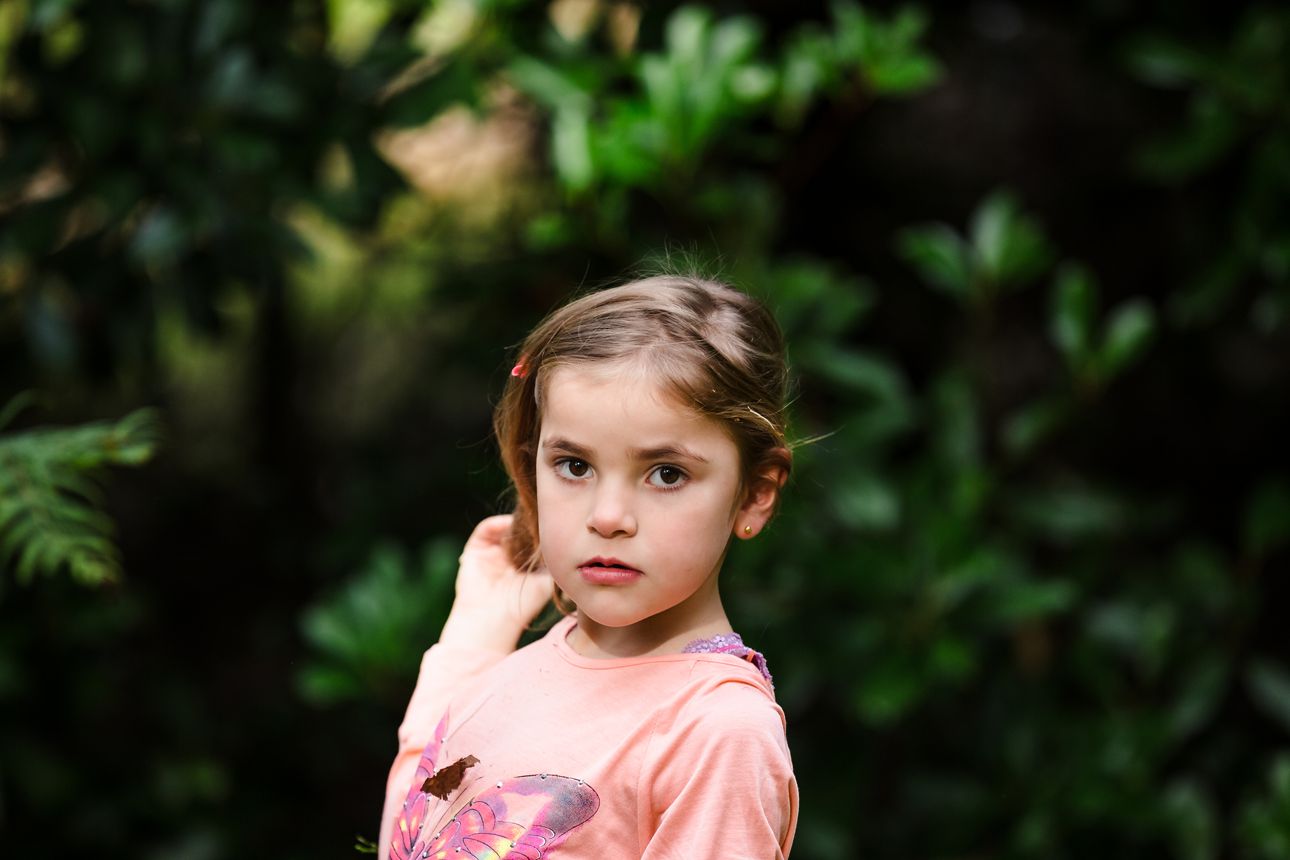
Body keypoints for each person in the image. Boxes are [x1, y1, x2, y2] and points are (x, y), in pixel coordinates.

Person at [378, 274, 799, 859]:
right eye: (574, 465)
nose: (607, 517)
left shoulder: (714, 732)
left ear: (755, 493)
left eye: (667, 473)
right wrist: (476, 633)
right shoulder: (518, 671)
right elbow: (407, 839)